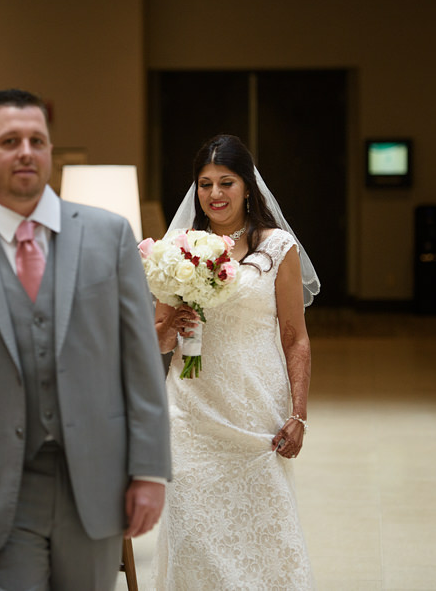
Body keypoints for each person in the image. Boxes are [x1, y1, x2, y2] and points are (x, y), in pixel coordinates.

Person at [0, 88, 171, 590]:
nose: (26, 151)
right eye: (9, 141)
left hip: (93, 478)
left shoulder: (108, 236)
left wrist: (150, 472)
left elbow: (140, 366)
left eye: (37, 140)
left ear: (49, 151)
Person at [150, 134, 320, 590]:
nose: (215, 194)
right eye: (205, 184)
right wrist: (173, 325)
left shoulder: (277, 247)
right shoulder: (179, 250)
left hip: (254, 408)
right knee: (194, 534)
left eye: (226, 182)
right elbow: (158, 335)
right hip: (191, 410)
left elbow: (294, 337)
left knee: (264, 534)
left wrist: (298, 414)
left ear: (247, 187)